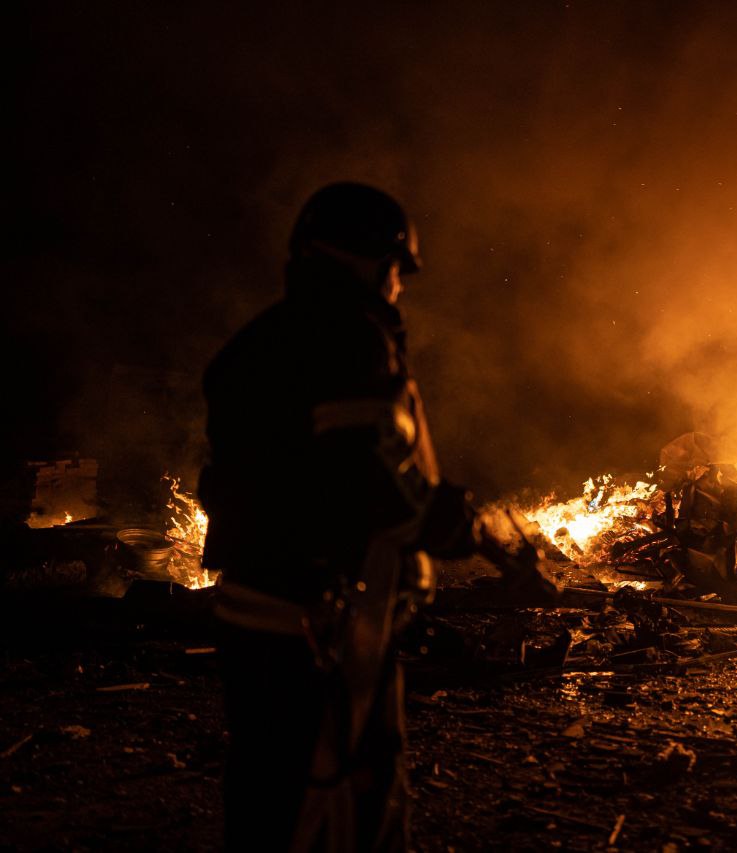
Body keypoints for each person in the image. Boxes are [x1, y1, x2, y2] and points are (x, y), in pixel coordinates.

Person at [199, 182, 554, 851]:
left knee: (267, 791)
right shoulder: (349, 338)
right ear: (357, 256)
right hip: (323, 624)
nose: (400, 283)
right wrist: (467, 531)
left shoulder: (256, 343)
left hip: (255, 614)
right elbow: (367, 484)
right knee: (344, 801)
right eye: (395, 266)